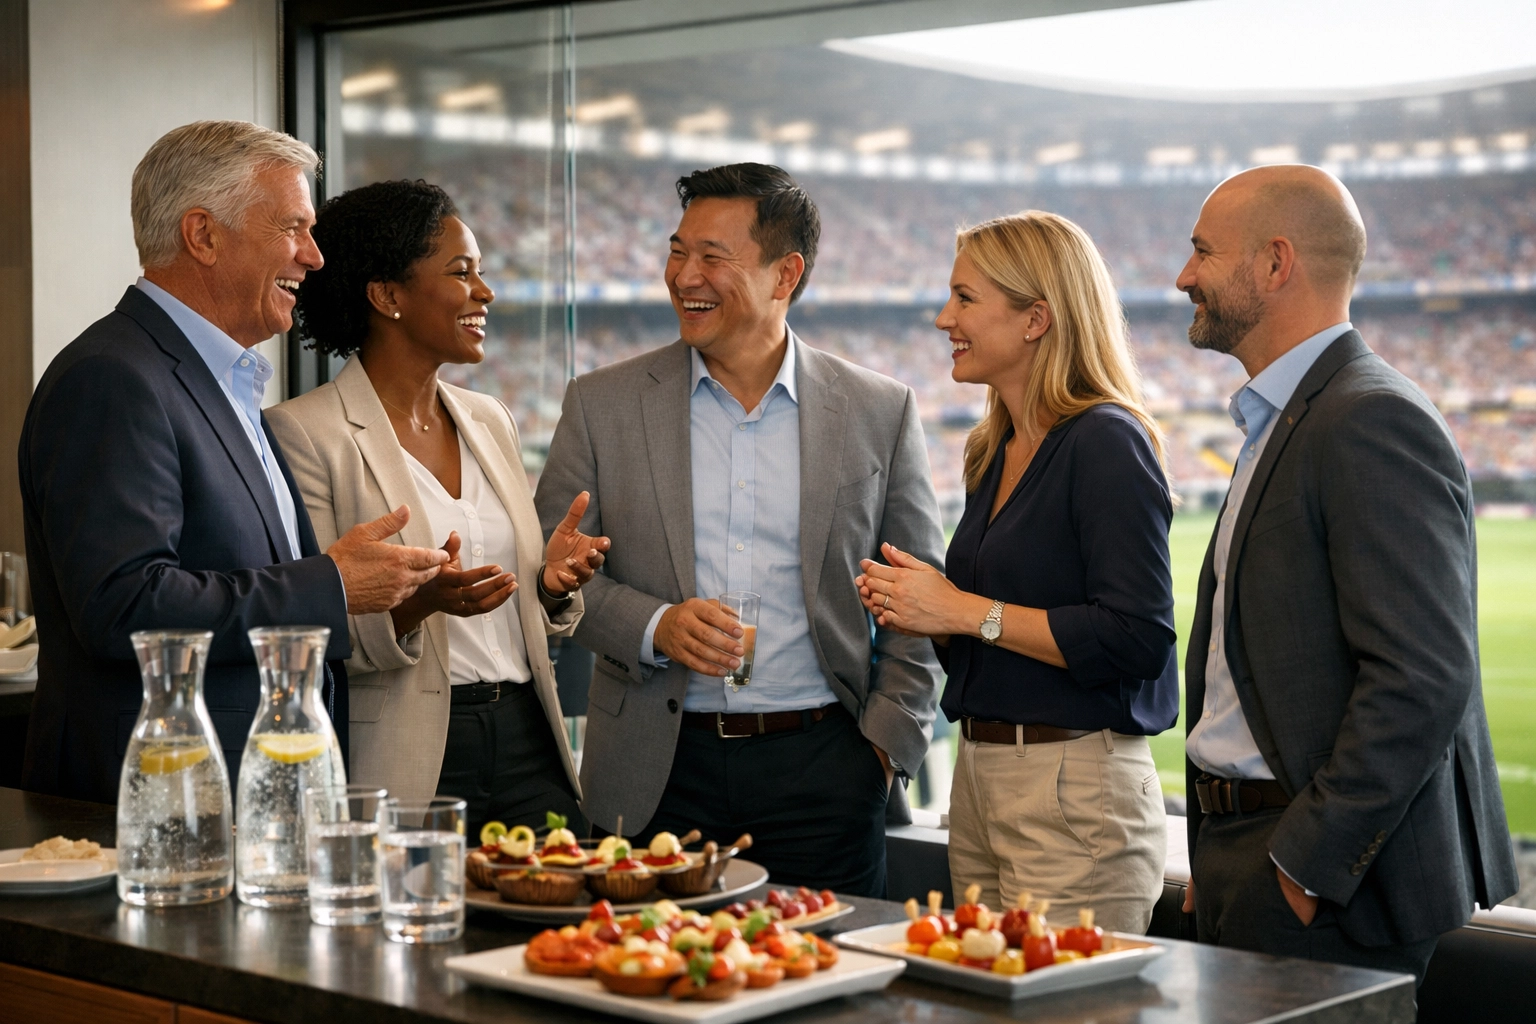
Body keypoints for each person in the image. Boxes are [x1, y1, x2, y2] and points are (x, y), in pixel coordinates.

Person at [534, 163, 944, 896]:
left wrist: (882, 749)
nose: (682, 275)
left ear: (785, 274)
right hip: (654, 776)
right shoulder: (602, 404)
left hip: (827, 774)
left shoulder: (881, 411)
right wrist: (655, 624)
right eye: (677, 250)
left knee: (826, 998)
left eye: (712, 257)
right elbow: (558, 580)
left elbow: (922, 602)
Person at [19, 121, 450, 803]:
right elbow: (124, 605)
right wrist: (329, 586)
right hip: (161, 803)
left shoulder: (225, 378)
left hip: (241, 794)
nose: (314, 256)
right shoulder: (112, 377)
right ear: (203, 235)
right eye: (293, 228)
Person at [1176, 164, 1518, 982]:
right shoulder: (1280, 415)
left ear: (1274, 263)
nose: (1183, 276)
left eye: (1200, 252)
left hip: (1322, 887)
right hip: (1245, 856)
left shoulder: (1369, 416)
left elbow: (1423, 676)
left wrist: (1302, 866)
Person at [854, 211, 1177, 934]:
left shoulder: (1105, 441)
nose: (945, 318)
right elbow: (990, 634)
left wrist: (964, 611)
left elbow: (1138, 638)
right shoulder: (990, 449)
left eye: (965, 298)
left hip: (1075, 788)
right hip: (982, 776)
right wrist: (917, 607)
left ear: (1036, 318)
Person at [268, 180, 610, 837]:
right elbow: (311, 628)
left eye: (481, 272)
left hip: (528, 738)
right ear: (387, 296)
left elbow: (530, 618)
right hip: (412, 754)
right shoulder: (304, 435)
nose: (484, 292)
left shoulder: (491, 419)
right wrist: (420, 603)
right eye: (462, 273)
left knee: (554, 930)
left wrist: (551, 585)